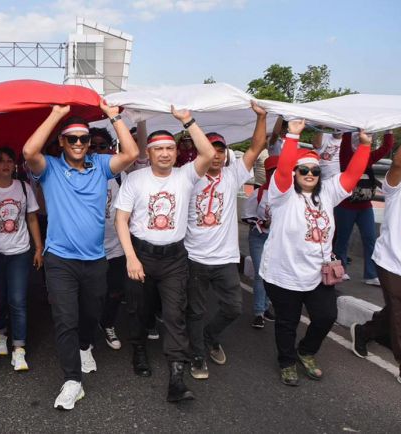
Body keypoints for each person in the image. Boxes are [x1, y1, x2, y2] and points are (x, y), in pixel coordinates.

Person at [22, 101, 138, 410]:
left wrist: (114, 116)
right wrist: (57, 114)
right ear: (61, 141)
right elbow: (28, 152)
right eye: (71, 138)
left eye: (83, 139)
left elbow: (131, 154)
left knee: (91, 315)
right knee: (65, 319)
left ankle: (86, 345)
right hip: (59, 259)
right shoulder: (50, 168)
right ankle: (73, 381)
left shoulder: (100, 165)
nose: (77, 144)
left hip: (95, 259)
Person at [115, 106, 215, 402]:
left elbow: (208, 155)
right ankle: (139, 350)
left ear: (176, 151)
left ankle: (177, 377)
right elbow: (121, 219)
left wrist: (188, 122)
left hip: (174, 259)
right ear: (149, 152)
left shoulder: (185, 176)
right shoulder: (136, 179)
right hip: (142, 255)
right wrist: (131, 258)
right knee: (139, 310)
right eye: (158, 149)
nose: (165, 154)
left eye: (170, 148)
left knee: (175, 315)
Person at [259, 119, 370, 386]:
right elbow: (283, 171)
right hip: (283, 273)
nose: (310, 174)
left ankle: (306, 352)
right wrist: (293, 137)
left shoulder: (328, 193)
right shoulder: (282, 194)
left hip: (317, 274)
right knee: (287, 321)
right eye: (304, 170)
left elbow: (352, 176)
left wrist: (365, 146)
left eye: (315, 171)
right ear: (295, 172)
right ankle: (286, 362)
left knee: (326, 316)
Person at [185, 101, 268, 379]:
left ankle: (210, 336)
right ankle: (197, 354)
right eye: (212, 151)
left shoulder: (232, 176)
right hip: (195, 257)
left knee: (233, 307)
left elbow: (256, 148)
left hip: (225, 258)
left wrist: (262, 117)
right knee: (195, 310)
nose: (217, 157)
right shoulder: (189, 177)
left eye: (221, 151)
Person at [350, 114, 401, 394]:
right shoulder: (397, 188)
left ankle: (366, 332)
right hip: (390, 260)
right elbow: (396, 162)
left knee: (399, 310)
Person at [0, 147, 43, 371]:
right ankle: (0, 334)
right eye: (1, 161)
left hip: (19, 252)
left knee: (17, 299)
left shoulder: (24, 189)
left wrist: (38, 247)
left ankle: (19, 347)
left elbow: (32, 219)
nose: (6, 165)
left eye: (10, 161)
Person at [333, 131, 394, 286]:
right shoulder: (346, 156)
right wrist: (350, 126)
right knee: (342, 239)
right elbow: (346, 141)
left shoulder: (368, 157)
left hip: (365, 206)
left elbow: (386, 148)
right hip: (345, 205)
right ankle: (341, 270)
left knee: (370, 238)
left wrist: (389, 131)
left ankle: (371, 274)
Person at [91, 131, 127, 350]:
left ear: (110, 149)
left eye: (102, 146)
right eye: (92, 146)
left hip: (115, 245)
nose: (96, 151)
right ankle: (86, 330)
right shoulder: (77, 173)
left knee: (116, 291)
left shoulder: (120, 175)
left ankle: (107, 324)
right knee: (91, 294)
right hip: (87, 248)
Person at [243, 155, 278, 329]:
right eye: (272, 171)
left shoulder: (289, 195)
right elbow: (247, 217)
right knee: (260, 274)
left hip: (277, 240)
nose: (275, 175)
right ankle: (258, 313)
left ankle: (265, 306)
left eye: (280, 171)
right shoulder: (259, 193)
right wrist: (262, 223)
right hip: (259, 238)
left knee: (271, 275)